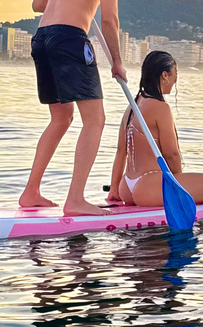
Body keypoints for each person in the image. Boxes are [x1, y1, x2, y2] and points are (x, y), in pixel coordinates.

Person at [107, 51, 203, 216]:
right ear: (165, 75)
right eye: (175, 74)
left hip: (127, 186)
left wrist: (114, 189)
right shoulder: (161, 108)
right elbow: (172, 155)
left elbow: (121, 151)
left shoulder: (133, 106)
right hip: (150, 186)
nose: (175, 80)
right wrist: (180, 187)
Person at [21, 0, 127, 216]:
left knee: (61, 118)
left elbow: (38, 5)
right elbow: (109, 20)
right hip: (70, 39)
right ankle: (75, 199)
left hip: (41, 37)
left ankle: (31, 191)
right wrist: (117, 61)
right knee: (95, 120)